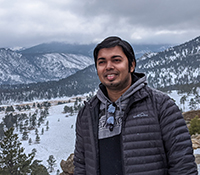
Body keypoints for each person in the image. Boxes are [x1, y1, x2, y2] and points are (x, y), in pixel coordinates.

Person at [73, 36, 198, 175]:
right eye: (102, 62)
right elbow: (81, 165)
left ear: (131, 65)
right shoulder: (87, 113)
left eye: (116, 60)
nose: (108, 66)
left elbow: (183, 166)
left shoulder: (161, 106)